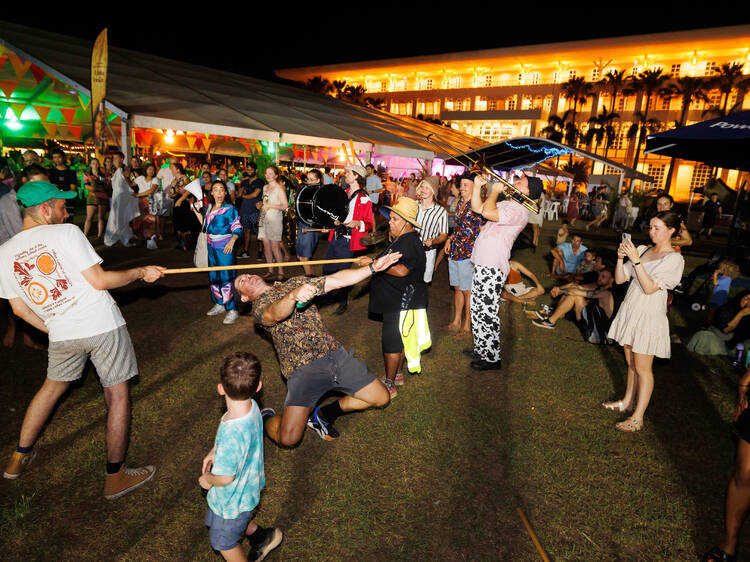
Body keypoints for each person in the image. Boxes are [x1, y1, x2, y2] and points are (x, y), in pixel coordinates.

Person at [0, 180, 164, 498]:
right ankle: (115, 477)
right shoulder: (68, 233)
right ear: (45, 209)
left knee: (50, 391)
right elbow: (100, 281)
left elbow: (18, 310)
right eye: (62, 207)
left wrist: (55, 328)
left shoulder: (3, 254)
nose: (66, 214)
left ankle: (17, 461)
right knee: (117, 397)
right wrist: (140, 272)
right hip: (102, 325)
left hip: (62, 333)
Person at [232, 252, 400, 445]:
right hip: (303, 370)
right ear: (245, 298)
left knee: (381, 397)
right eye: (241, 282)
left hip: (335, 356)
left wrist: (372, 268)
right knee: (288, 439)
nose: (247, 277)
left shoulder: (294, 281)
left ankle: (324, 414)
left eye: (246, 274)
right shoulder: (260, 308)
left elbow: (335, 280)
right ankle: (266, 419)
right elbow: (275, 314)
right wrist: (293, 296)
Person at [602, 211, 685, 431]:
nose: (652, 232)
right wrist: (621, 258)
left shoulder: (674, 259)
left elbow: (649, 288)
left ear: (671, 230)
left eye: (657, 228)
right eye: (650, 227)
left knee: (643, 368)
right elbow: (620, 279)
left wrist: (637, 261)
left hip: (649, 315)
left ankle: (638, 417)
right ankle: (627, 402)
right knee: (631, 363)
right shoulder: (643, 249)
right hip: (631, 309)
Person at [199, 352, 283, 562]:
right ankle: (261, 536)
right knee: (233, 520)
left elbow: (226, 478)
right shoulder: (253, 408)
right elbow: (234, 445)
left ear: (220, 388)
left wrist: (207, 480)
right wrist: (213, 451)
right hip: (249, 487)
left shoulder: (231, 432)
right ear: (258, 386)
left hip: (231, 499)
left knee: (223, 542)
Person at [467, 173, 542, 370]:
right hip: (484, 262)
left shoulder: (519, 210)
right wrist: (477, 187)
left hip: (493, 264)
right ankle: (482, 348)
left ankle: (492, 358)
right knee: (477, 309)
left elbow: (488, 213)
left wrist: (493, 192)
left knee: (487, 311)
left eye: (520, 182)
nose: (515, 182)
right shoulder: (509, 204)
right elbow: (478, 208)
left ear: (527, 192)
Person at [367, 197, 428, 396]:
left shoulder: (409, 241)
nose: (389, 222)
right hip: (401, 299)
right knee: (402, 339)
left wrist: (374, 265)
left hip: (401, 301)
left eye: (394, 219)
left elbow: (402, 270)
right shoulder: (404, 239)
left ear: (407, 223)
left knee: (391, 342)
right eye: (391, 218)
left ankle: (389, 384)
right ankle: (398, 373)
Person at [322, 165, 373, 315]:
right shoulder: (343, 193)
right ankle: (328, 296)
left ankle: (342, 302)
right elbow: (336, 216)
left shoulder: (364, 198)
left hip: (347, 240)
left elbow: (369, 222)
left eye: (348, 173)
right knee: (328, 269)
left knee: (342, 272)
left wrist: (358, 223)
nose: (345, 175)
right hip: (336, 236)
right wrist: (330, 225)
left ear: (356, 176)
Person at [193, 180, 242, 325]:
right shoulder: (208, 208)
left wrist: (233, 240)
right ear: (212, 193)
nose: (219, 193)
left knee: (226, 276)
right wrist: (196, 212)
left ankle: (232, 309)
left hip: (225, 247)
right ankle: (220, 303)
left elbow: (237, 227)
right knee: (214, 275)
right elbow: (205, 226)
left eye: (222, 190)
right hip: (211, 247)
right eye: (216, 190)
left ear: (226, 192)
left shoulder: (230, 209)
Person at [444, 173, 485, 339]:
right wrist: (449, 239)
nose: (461, 188)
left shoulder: (478, 206)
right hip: (455, 251)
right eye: (461, 185)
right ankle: (456, 321)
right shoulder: (460, 202)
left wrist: (478, 256)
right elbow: (459, 227)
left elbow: (482, 233)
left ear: (475, 187)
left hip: (468, 253)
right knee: (457, 288)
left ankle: (468, 327)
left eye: (465, 185)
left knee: (468, 291)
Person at [532, 269, 615, 329]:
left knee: (574, 295)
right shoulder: (599, 287)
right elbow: (577, 287)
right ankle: (554, 314)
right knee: (571, 292)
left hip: (597, 328)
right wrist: (559, 289)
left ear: (611, 280)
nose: (599, 278)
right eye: (600, 275)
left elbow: (577, 292)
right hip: (590, 320)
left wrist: (561, 290)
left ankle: (550, 322)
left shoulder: (607, 293)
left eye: (603, 277)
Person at [686, 291, 750, 357]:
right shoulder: (727, 309)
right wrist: (740, 314)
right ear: (739, 298)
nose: (749, 302)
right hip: (719, 337)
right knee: (703, 337)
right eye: (746, 298)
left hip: (737, 345)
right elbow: (725, 330)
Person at [415, 176, 449, 283]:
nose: (423, 190)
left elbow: (443, 235)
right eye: (422, 187)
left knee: (423, 283)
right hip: (411, 249)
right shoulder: (414, 205)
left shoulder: (440, 211)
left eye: (427, 188)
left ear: (433, 191)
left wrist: (433, 241)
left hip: (428, 253)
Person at [257, 166, 288, 281]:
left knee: (275, 247)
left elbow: (285, 206)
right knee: (266, 247)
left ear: (275, 175)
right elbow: (265, 202)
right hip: (264, 219)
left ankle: (281, 271)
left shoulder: (279, 189)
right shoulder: (265, 187)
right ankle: (270, 270)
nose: (268, 175)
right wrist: (260, 205)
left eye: (271, 173)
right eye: (266, 173)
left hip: (275, 220)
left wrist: (271, 206)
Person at [104, 151, 140, 247]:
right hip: (115, 195)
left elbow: (129, 181)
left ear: (122, 159)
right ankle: (114, 234)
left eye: (117, 158)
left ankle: (125, 236)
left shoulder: (125, 168)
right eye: (114, 158)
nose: (115, 160)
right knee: (114, 216)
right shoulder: (112, 169)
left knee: (123, 216)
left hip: (124, 196)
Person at [295, 169, 323, 276]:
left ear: (318, 180)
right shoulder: (305, 190)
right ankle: (311, 278)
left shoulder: (320, 193)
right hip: (302, 223)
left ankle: (310, 281)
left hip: (311, 226)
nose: (309, 182)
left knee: (305, 258)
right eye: (308, 179)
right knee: (300, 257)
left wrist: (323, 225)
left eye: (312, 180)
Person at [236, 162, 264, 259]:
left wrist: (243, 195)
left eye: (251, 169)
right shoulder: (244, 182)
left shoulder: (260, 182)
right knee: (246, 231)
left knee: (258, 232)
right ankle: (245, 251)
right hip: (245, 209)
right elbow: (238, 195)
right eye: (247, 169)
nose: (249, 171)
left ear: (255, 170)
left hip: (255, 210)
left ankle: (260, 252)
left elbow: (255, 195)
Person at [48, 148, 78, 224]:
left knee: (69, 223)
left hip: (69, 203)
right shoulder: (51, 172)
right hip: (55, 203)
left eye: (59, 157)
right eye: (54, 157)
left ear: (64, 158)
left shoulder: (71, 172)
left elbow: (73, 189)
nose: (57, 159)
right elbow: (54, 189)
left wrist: (61, 193)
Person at [133, 162, 160, 244]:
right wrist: (124, 175)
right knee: (139, 219)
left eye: (153, 170)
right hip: (140, 202)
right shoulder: (140, 178)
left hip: (150, 201)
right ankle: (140, 236)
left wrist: (137, 194)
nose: (151, 171)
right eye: (149, 169)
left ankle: (150, 237)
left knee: (150, 220)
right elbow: (131, 184)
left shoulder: (155, 179)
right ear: (146, 170)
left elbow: (151, 191)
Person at [82, 158, 109, 239]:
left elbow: (105, 186)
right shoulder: (87, 175)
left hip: (102, 197)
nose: (95, 165)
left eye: (97, 163)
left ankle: (99, 235)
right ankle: (85, 235)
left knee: (101, 218)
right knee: (89, 217)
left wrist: (96, 188)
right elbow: (87, 186)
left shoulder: (103, 175)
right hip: (92, 197)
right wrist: (98, 188)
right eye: (93, 163)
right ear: (90, 165)